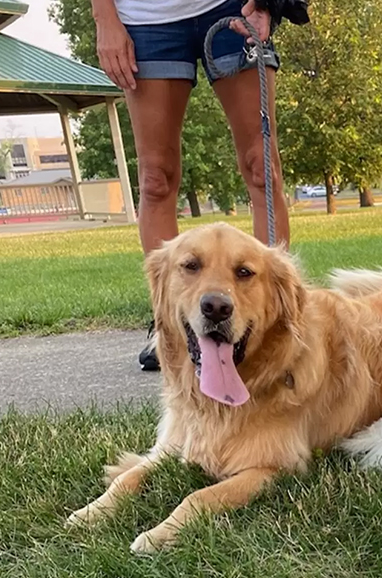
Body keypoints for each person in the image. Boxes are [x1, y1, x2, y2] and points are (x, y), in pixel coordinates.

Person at [92, 0, 289, 371]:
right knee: (155, 178)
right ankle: (168, 323)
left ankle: (274, 317)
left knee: (263, 167)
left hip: (231, 7)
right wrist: (105, 19)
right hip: (146, 20)